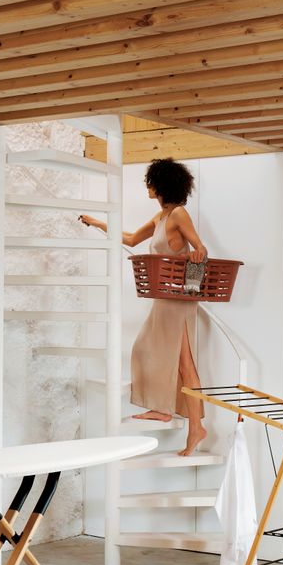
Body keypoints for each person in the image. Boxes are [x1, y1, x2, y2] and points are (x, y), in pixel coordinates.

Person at [80, 158, 208, 456]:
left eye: (150, 182)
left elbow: (200, 248)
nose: (147, 187)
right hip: (163, 298)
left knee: (180, 363)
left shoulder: (178, 214)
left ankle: (194, 427)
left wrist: (196, 255)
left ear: (162, 184)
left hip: (177, 299)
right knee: (156, 353)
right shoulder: (161, 217)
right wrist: (98, 223)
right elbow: (132, 239)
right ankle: (166, 410)